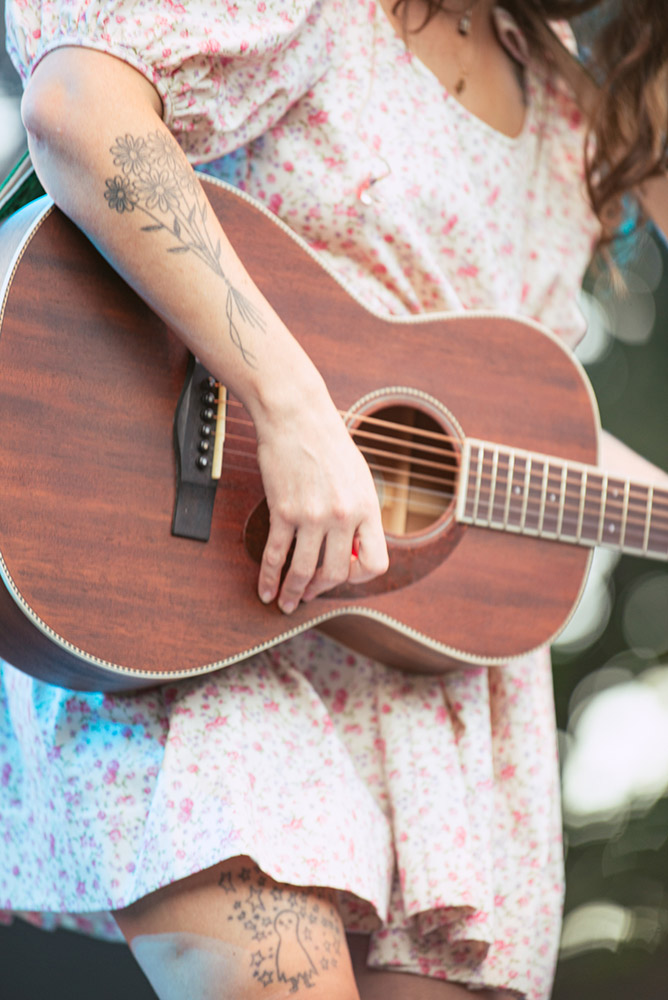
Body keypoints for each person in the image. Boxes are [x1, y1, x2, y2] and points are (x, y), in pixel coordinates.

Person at [1, 1, 667, 998]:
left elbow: (512, 429)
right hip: (194, 592)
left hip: (436, 686)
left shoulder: (570, 115)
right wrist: (287, 400)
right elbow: (77, 107)